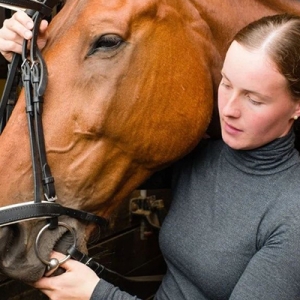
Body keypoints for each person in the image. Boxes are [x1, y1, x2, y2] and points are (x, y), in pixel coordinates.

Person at [1, 10, 300, 300]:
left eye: (254, 99)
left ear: (296, 107)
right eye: (226, 83)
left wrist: (98, 295)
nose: (229, 110)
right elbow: (93, 154)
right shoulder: (204, 158)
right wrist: (39, 58)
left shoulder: (291, 215)